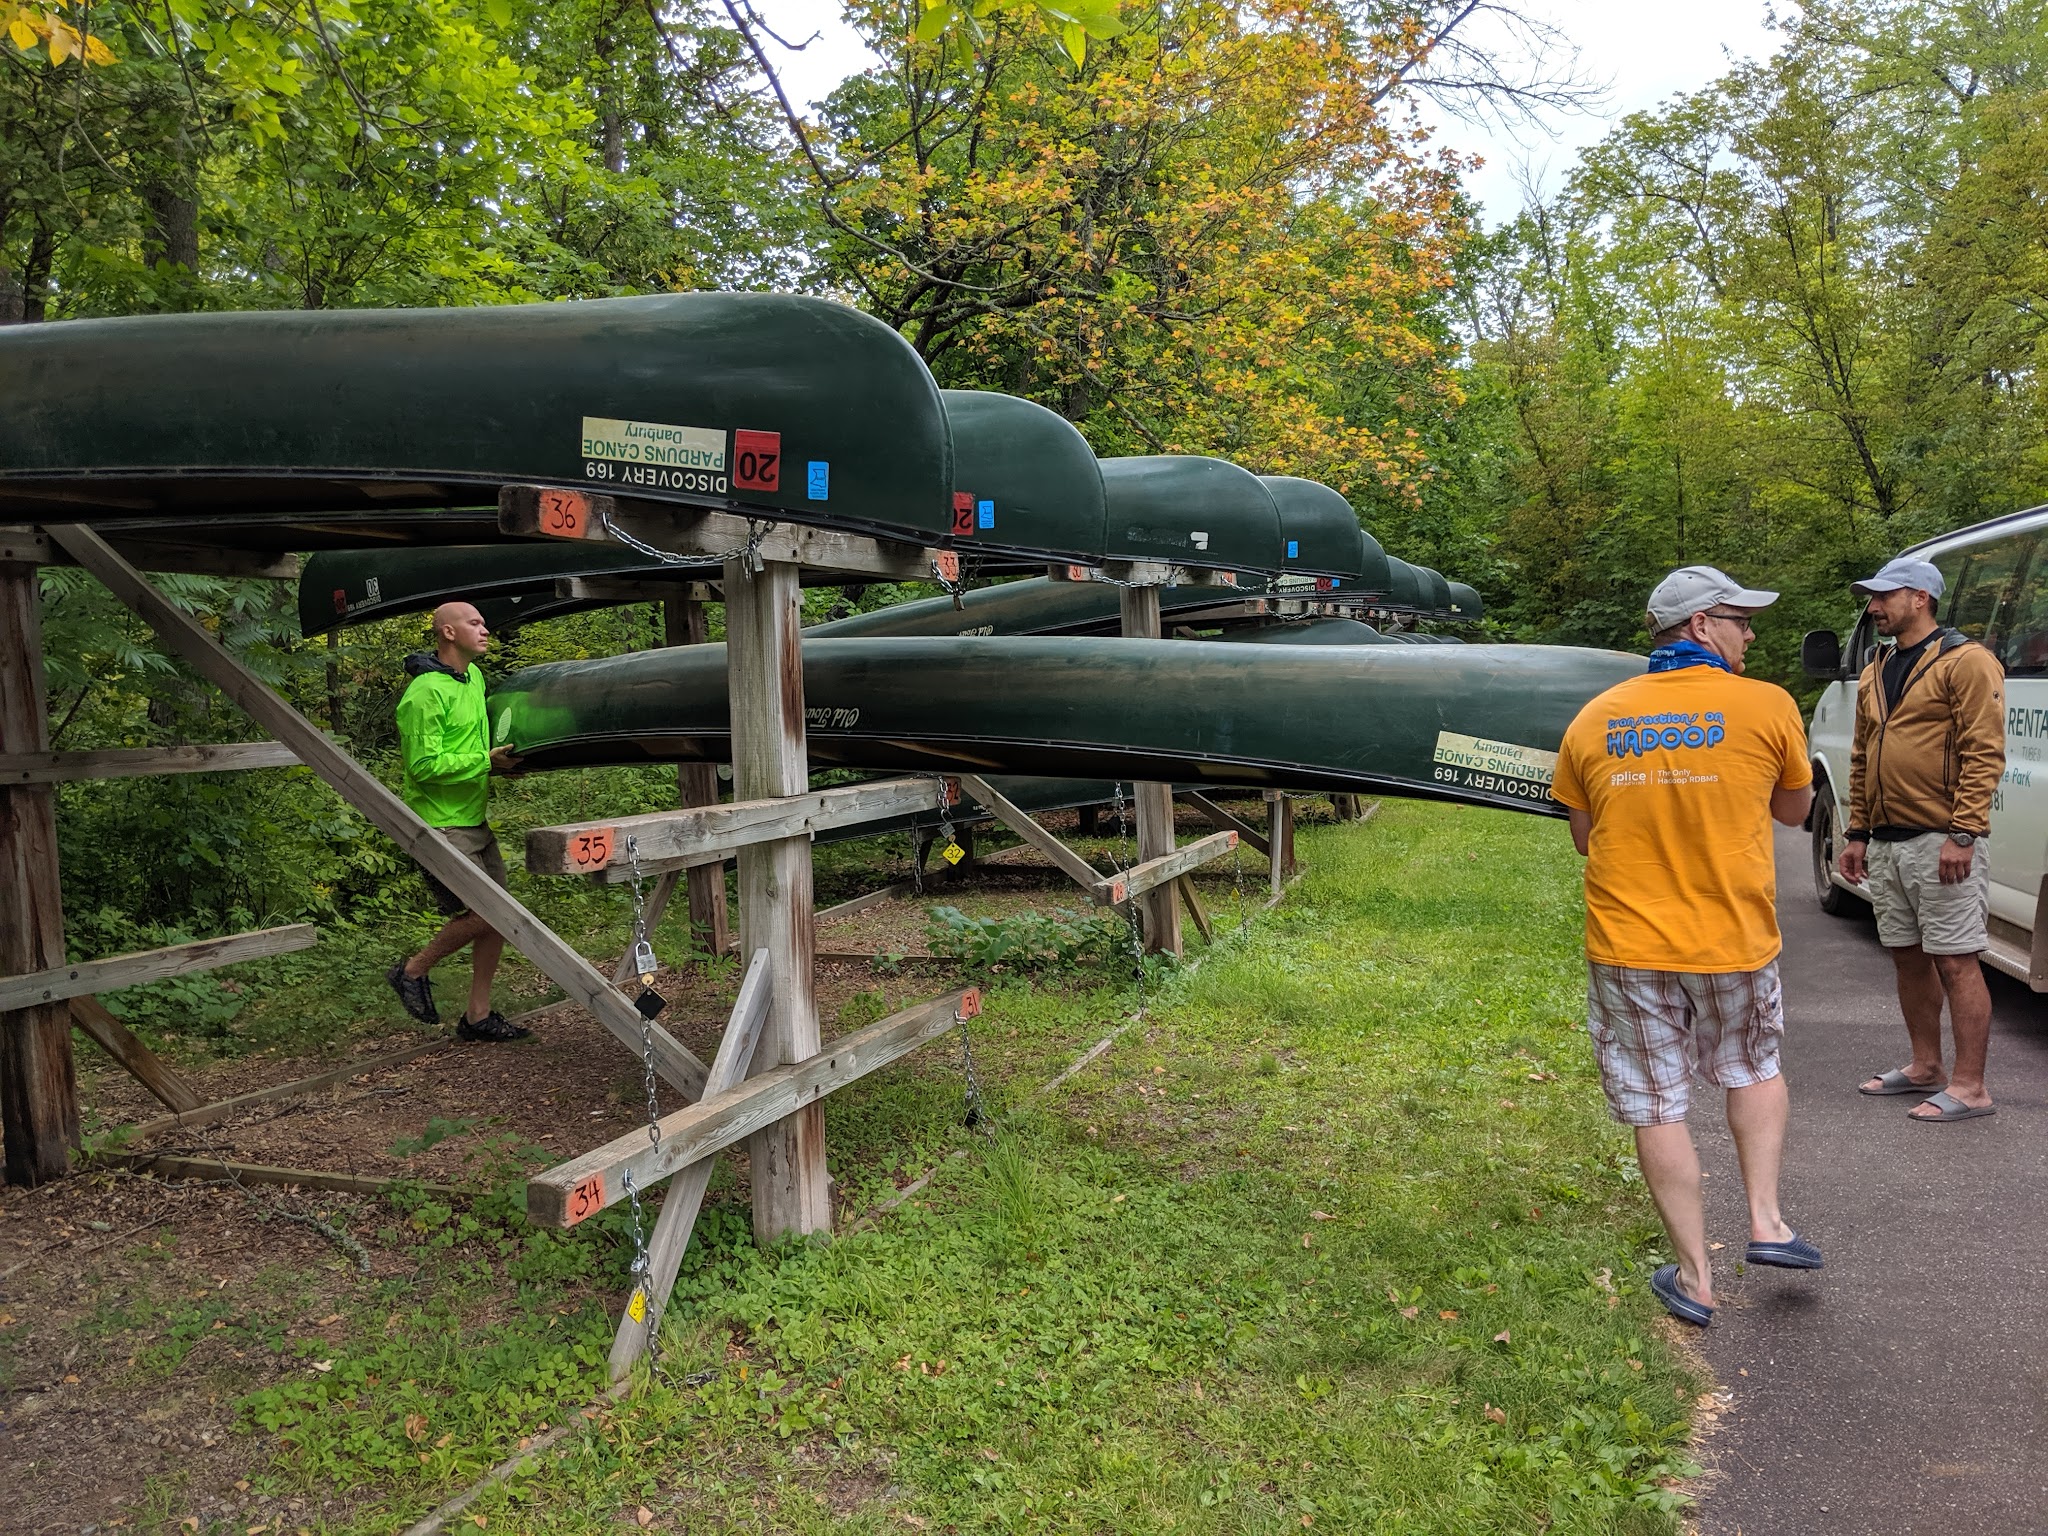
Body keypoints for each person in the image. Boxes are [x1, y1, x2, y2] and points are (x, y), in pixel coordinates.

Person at [1550, 565, 1821, 1328]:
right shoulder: (1767, 705)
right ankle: (1767, 1223)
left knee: (1657, 1102)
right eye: (1739, 619)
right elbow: (1796, 811)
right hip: (1733, 937)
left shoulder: (1596, 717)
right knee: (1752, 1066)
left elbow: (1583, 836)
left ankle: (1697, 1280)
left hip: (1628, 943)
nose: (1750, 633)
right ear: (1702, 625)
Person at [1838, 556, 2005, 1122]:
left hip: (1941, 840)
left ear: (1920, 598)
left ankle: (1971, 1086)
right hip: (1886, 841)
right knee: (1907, 958)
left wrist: (1964, 831)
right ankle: (1926, 1066)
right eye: (1872, 598)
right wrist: (1857, 831)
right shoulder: (1874, 669)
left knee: (1957, 960)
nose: (1874, 608)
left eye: (1884, 597)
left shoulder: (1966, 661)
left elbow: (1984, 752)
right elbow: (1863, 757)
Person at [386, 601, 530, 1043]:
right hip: (438, 824)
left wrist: (503, 764)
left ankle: (477, 1017)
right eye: (475, 623)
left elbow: (475, 749)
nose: (485, 629)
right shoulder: (424, 693)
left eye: (484, 623)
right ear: (448, 633)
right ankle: (412, 971)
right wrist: (484, 761)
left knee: (497, 916)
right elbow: (424, 766)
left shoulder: (474, 679)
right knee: (486, 912)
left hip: (474, 817)